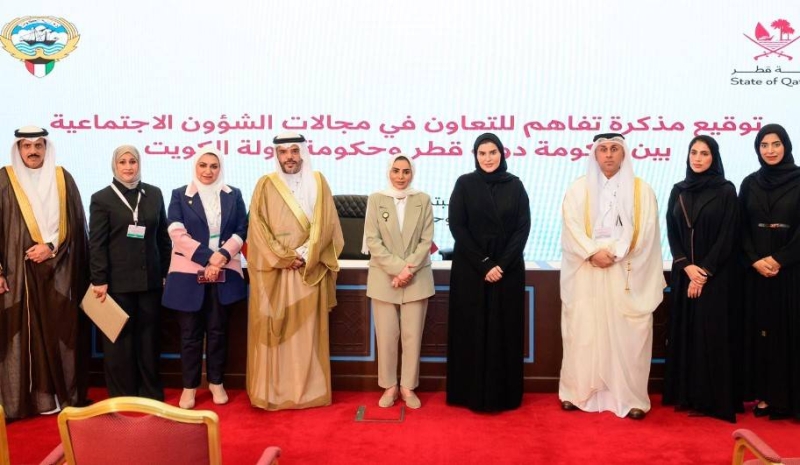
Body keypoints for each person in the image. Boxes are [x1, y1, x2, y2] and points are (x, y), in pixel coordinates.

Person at [559, 133, 665, 420]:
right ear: (595, 155)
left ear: (624, 154)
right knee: (584, 331)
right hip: (588, 273)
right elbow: (571, 226)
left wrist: (615, 253)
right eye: (603, 149)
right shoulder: (578, 189)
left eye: (614, 149)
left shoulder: (642, 191)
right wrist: (593, 251)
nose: (608, 154)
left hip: (624, 271)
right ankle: (578, 393)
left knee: (628, 335)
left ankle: (630, 397)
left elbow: (647, 231)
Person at [246, 132, 343, 410]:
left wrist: (304, 254)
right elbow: (258, 228)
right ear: (276, 155)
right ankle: (274, 392)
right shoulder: (265, 184)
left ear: (303, 153)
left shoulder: (318, 181)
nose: (289, 157)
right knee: (274, 332)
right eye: (283, 151)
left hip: (309, 269)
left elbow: (327, 224)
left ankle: (309, 392)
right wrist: (284, 256)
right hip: (274, 272)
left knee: (306, 334)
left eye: (294, 151)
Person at [0, 126, 90, 420]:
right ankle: (25, 402)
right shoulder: (4, 179)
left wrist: (50, 247)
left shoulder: (63, 178)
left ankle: (61, 397)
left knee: (59, 334)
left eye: (38, 145)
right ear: (18, 149)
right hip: (17, 274)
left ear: (46, 148)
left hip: (59, 271)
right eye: (27, 146)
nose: (33, 151)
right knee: (23, 336)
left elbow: (76, 223)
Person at [446, 133, 531, 413]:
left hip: (507, 271)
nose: (488, 158)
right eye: (482, 153)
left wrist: (501, 265)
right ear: (475, 156)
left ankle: (503, 395)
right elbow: (458, 226)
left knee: (504, 332)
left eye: (493, 152)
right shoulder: (464, 184)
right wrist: (485, 264)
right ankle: (468, 393)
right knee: (471, 330)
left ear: (502, 154)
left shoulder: (515, 185)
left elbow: (522, 228)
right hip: (471, 270)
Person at [162, 149, 248, 409]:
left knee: (218, 332)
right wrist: (209, 258)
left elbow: (242, 230)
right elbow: (176, 232)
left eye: (213, 165)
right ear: (195, 166)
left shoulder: (234, 195)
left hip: (224, 272)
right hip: (188, 274)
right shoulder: (180, 195)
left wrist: (222, 256)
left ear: (220, 168)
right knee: (190, 335)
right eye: (203, 165)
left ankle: (216, 382)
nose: (208, 171)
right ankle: (189, 387)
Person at [662, 135, 738, 422]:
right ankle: (687, 395)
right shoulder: (678, 190)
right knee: (687, 333)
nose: (697, 158)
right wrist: (687, 267)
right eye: (693, 152)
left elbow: (728, 235)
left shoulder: (726, 190)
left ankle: (711, 400)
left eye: (704, 153)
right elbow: (671, 231)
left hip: (715, 277)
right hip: (685, 274)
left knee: (711, 334)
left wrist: (703, 272)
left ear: (713, 157)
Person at [88, 144, 170, 400]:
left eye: (132, 161)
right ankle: (123, 395)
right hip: (116, 283)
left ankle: (150, 393)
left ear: (139, 164)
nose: (128, 167)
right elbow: (96, 243)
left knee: (149, 340)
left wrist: (165, 272)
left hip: (150, 282)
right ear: (114, 165)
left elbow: (163, 237)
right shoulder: (101, 198)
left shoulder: (154, 194)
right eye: (122, 162)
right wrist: (99, 279)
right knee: (119, 342)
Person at [363, 154, 434, 409]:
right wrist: (397, 270)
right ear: (388, 172)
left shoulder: (423, 200)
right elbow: (372, 240)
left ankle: (408, 387)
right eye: (396, 170)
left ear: (412, 173)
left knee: (412, 337)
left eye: (406, 171)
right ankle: (390, 386)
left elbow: (426, 241)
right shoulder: (376, 199)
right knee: (386, 336)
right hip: (384, 278)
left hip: (416, 278)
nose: (400, 176)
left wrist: (407, 271)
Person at [740, 124, 800, 420]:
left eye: (776, 144)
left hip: (792, 272)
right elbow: (740, 227)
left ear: (786, 146)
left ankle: (790, 397)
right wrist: (755, 260)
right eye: (764, 145)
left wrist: (779, 259)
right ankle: (765, 394)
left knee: (790, 333)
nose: (770, 150)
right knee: (763, 333)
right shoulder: (750, 183)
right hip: (757, 274)